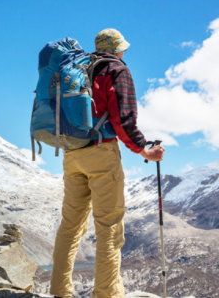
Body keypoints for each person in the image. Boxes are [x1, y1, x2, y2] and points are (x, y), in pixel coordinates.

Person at [49, 29, 165, 298]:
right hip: (101, 153)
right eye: (123, 48)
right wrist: (144, 150)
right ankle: (106, 295)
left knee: (70, 225)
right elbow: (123, 118)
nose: (125, 53)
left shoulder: (79, 68)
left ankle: (59, 292)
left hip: (72, 152)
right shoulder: (116, 69)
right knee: (109, 229)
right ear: (117, 49)